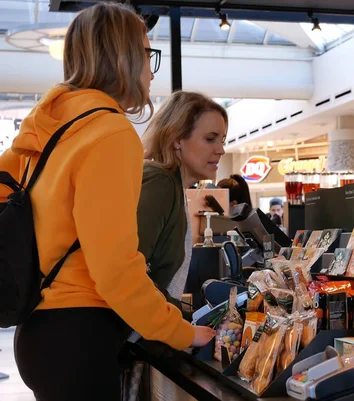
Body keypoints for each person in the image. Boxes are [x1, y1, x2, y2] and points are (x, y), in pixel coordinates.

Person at [0, 4, 214, 401]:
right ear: (125, 58)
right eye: (147, 55)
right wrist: (179, 331)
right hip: (79, 335)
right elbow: (115, 267)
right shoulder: (109, 133)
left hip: (37, 328)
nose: (151, 72)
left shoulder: (49, 126)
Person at [132, 91, 227, 400]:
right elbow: (129, 271)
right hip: (98, 342)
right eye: (210, 138)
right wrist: (181, 330)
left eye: (222, 139)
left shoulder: (173, 187)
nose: (221, 149)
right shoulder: (160, 183)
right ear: (177, 139)